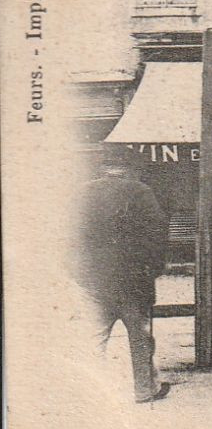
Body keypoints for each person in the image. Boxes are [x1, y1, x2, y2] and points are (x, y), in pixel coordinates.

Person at [73, 148, 170, 403]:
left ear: (103, 167)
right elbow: (157, 232)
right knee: (140, 338)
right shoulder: (139, 191)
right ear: (128, 167)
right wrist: (154, 267)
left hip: (94, 278)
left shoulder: (83, 192)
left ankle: (91, 393)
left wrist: (78, 271)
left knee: (95, 337)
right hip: (133, 279)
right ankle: (145, 390)